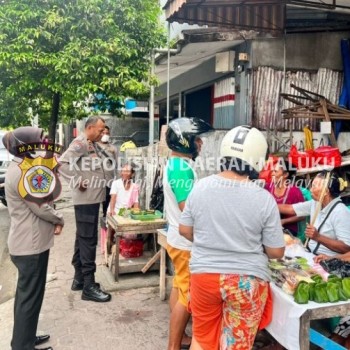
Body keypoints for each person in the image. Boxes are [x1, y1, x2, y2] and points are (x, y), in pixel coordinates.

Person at [179, 125, 285, 350]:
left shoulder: (200, 187)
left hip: (204, 276)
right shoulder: (264, 199)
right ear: (257, 158)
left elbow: (185, 230)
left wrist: (211, 241)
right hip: (245, 282)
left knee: (201, 337)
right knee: (236, 344)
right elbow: (276, 252)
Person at [3, 127, 64, 350]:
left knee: (26, 297)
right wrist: (60, 219)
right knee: (29, 299)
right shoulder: (21, 172)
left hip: (26, 244)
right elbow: (41, 205)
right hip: (30, 246)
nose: (43, 142)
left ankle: (24, 338)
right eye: (39, 140)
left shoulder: (22, 167)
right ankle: (23, 345)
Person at [163, 117, 214, 350]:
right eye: (196, 139)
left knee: (178, 286)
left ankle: (181, 335)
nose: (200, 143)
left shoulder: (176, 164)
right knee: (188, 295)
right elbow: (187, 208)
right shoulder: (181, 169)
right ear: (185, 141)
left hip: (176, 236)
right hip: (184, 241)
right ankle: (174, 345)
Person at [59, 116, 111, 302]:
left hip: (93, 199)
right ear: (89, 128)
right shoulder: (80, 143)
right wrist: (76, 180)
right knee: (88, 239)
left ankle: (79, 279)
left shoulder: (92, 143)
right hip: (86, 199)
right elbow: (61, 164)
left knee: (82, 237)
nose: (102, 132)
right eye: (99, 129)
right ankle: (89, 285)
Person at [279, 171, 350, 256]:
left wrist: (318, 237)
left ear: (326, 191)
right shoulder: (316, 203)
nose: (310, 189)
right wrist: (267, 204)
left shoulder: (340, 212)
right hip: (311, 255)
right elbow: (290, 209)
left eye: (314, 186)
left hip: (329, 260)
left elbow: (347, 248)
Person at [265, 159, 305, 236]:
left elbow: (302, 215)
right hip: (269, 226)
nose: (272, 174)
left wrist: (284, 221)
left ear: (285, 174)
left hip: (288, 229)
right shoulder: (268, 187)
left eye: (275, 171)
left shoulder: (295, 192)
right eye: (272, 171)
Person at [97, 125, 118, 217]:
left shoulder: (113, 148)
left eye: (107, 133)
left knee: (107, 200)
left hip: (109, 179)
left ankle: (106, 218)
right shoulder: (94, 146)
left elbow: (117, 164)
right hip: (96, 179)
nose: (105, 135)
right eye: (103, 133)